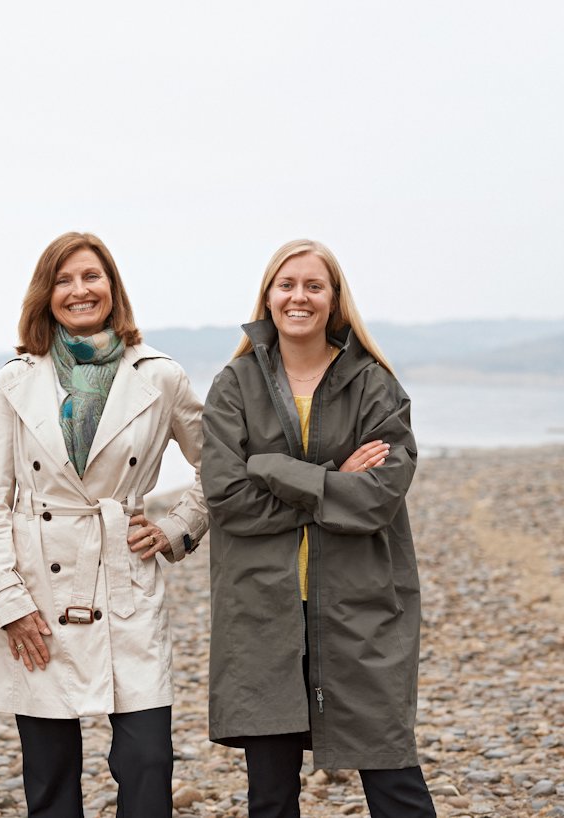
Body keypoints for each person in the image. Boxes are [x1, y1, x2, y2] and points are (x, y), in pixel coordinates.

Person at [0, 232, 208, 817]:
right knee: (49, 773)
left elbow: (224, 466)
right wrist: (6, 597)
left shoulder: (160, 375)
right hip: (39, 587)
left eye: (91, 277)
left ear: (112, 287)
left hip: (125, 578)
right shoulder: (15, 380)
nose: (80, 290)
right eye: (64, 279)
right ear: (46, 295)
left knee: (148, 761)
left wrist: (177, 527)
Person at [201, 238, 436, 817]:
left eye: (313, 285)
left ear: (334, 300)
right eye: (287, 285)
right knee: (272, 797)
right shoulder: (234, 385)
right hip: (261, 610)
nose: (298, 296)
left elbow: (379, 496)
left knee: (394, 781)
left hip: (362, 605)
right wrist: (332, 480)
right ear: (268, 297)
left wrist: (276, 470)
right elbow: (228, 497)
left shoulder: (373, 384)